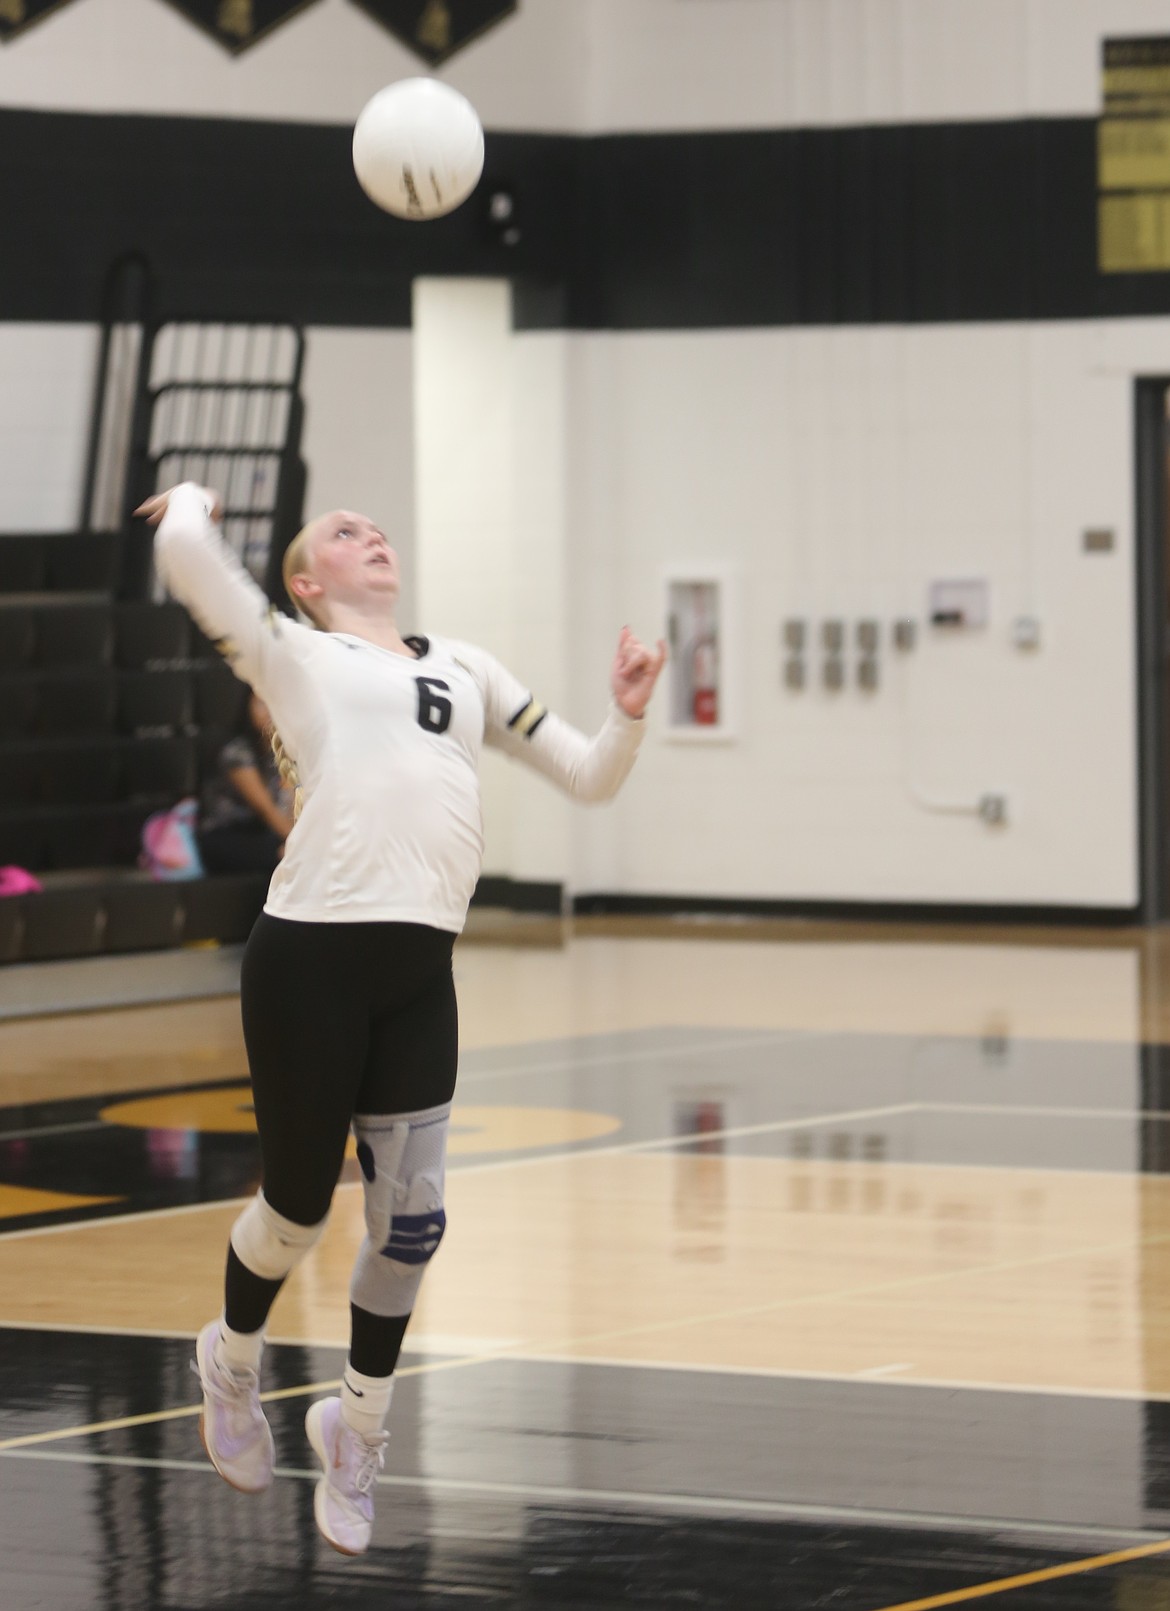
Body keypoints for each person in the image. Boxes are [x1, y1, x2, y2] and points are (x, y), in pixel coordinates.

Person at [137, 483, 665, 1556]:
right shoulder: (290, 652)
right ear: (304, 581)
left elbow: (590, 775)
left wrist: (627, 708)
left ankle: (357, 1427)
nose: (370, 534)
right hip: (308, 963)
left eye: (376, 528)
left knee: (412, 1227)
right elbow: (188, 554)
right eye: (342, 533)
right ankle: (230, 1360)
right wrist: (190, 500)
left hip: (422, 967)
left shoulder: (466, 667)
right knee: (294, 1214)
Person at [197, 693, 293, 875]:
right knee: (287, 856)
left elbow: (291, 807)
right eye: (261, 704)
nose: (270, 712)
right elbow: (266, 811)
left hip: (265, 834)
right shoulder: (236, 752)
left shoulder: (286, 751)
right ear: (247, 708)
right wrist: (299, 845)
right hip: (226, 835)